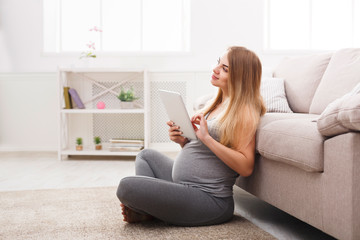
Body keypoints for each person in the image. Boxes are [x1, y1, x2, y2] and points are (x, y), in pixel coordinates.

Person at [116, 46, 266, 226]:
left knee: (127, 186)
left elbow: (246, 167)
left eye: (224, 69)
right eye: (218, 63)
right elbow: (202, 154)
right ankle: (150, 209)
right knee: (145, 156)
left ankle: (146, 209)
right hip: (185, 187)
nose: (215, 69)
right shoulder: (215, 104)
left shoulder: (244, 112)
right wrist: (183, 141)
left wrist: (207, 139)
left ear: (240, 77)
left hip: (210, 201)